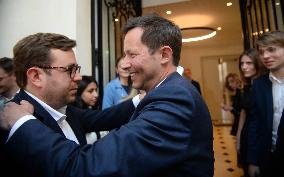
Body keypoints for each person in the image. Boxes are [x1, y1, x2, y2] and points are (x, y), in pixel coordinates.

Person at [0, 13, 214, 177]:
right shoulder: (9, 126)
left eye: (132, 54)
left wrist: (23, 122)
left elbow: (85, 164)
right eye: (69, 70)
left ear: (164, 55)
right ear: (36, 76)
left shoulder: (173, 99)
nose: (125, 63)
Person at [0, 32, 138, 177]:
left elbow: (105, 117)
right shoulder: (13, 124)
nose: (78, 77)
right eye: (69, 70)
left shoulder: (66, 109)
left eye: (76, 69)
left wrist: (142, 98)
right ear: (36, 76)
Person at [247, 31, 284, 177]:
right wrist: (253, 160)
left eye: (272, 49)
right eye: (262, 52)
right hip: (267, 158)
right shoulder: (259, 85)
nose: (266, 56)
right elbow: (255, 124)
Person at [235, 48, 264, 177]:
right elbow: (243, 113)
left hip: (258, 135)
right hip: (246, 133)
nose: (244, 67)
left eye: (249, 63)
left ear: (257, 64)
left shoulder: (264, 86)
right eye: (242, 63)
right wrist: (239, 137)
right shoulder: (247, 86)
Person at [71, 75, 103, 143]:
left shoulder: (94, 111)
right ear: (79, 93)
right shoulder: (74, 117)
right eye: (90, 91)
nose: (96, 95)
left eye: (96, 90)